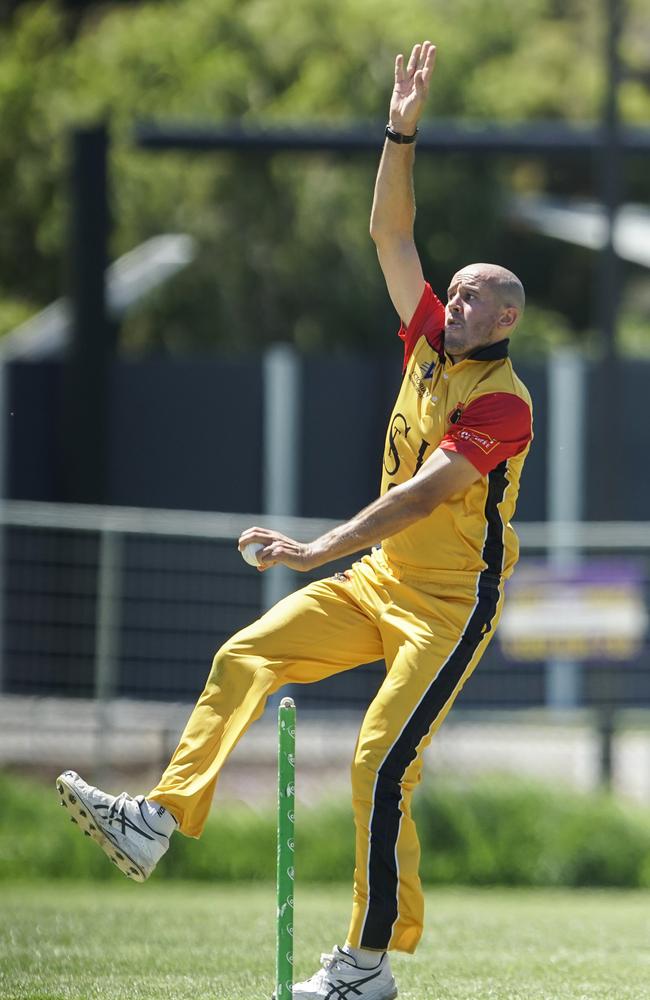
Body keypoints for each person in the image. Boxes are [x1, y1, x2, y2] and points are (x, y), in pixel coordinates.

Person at [57, 40, 532, 1000]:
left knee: (377, 764)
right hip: (379, 583)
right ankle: (158, 819)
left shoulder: (502, 401)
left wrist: (315, 549)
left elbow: (420, 499)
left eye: (475, 291)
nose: (457, 291)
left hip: (447, 609)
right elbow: (389, 234)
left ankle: (365, 967)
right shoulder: (428, 344)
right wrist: (401, 129)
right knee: (247, 654)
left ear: (501, 322)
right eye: (462, 285)